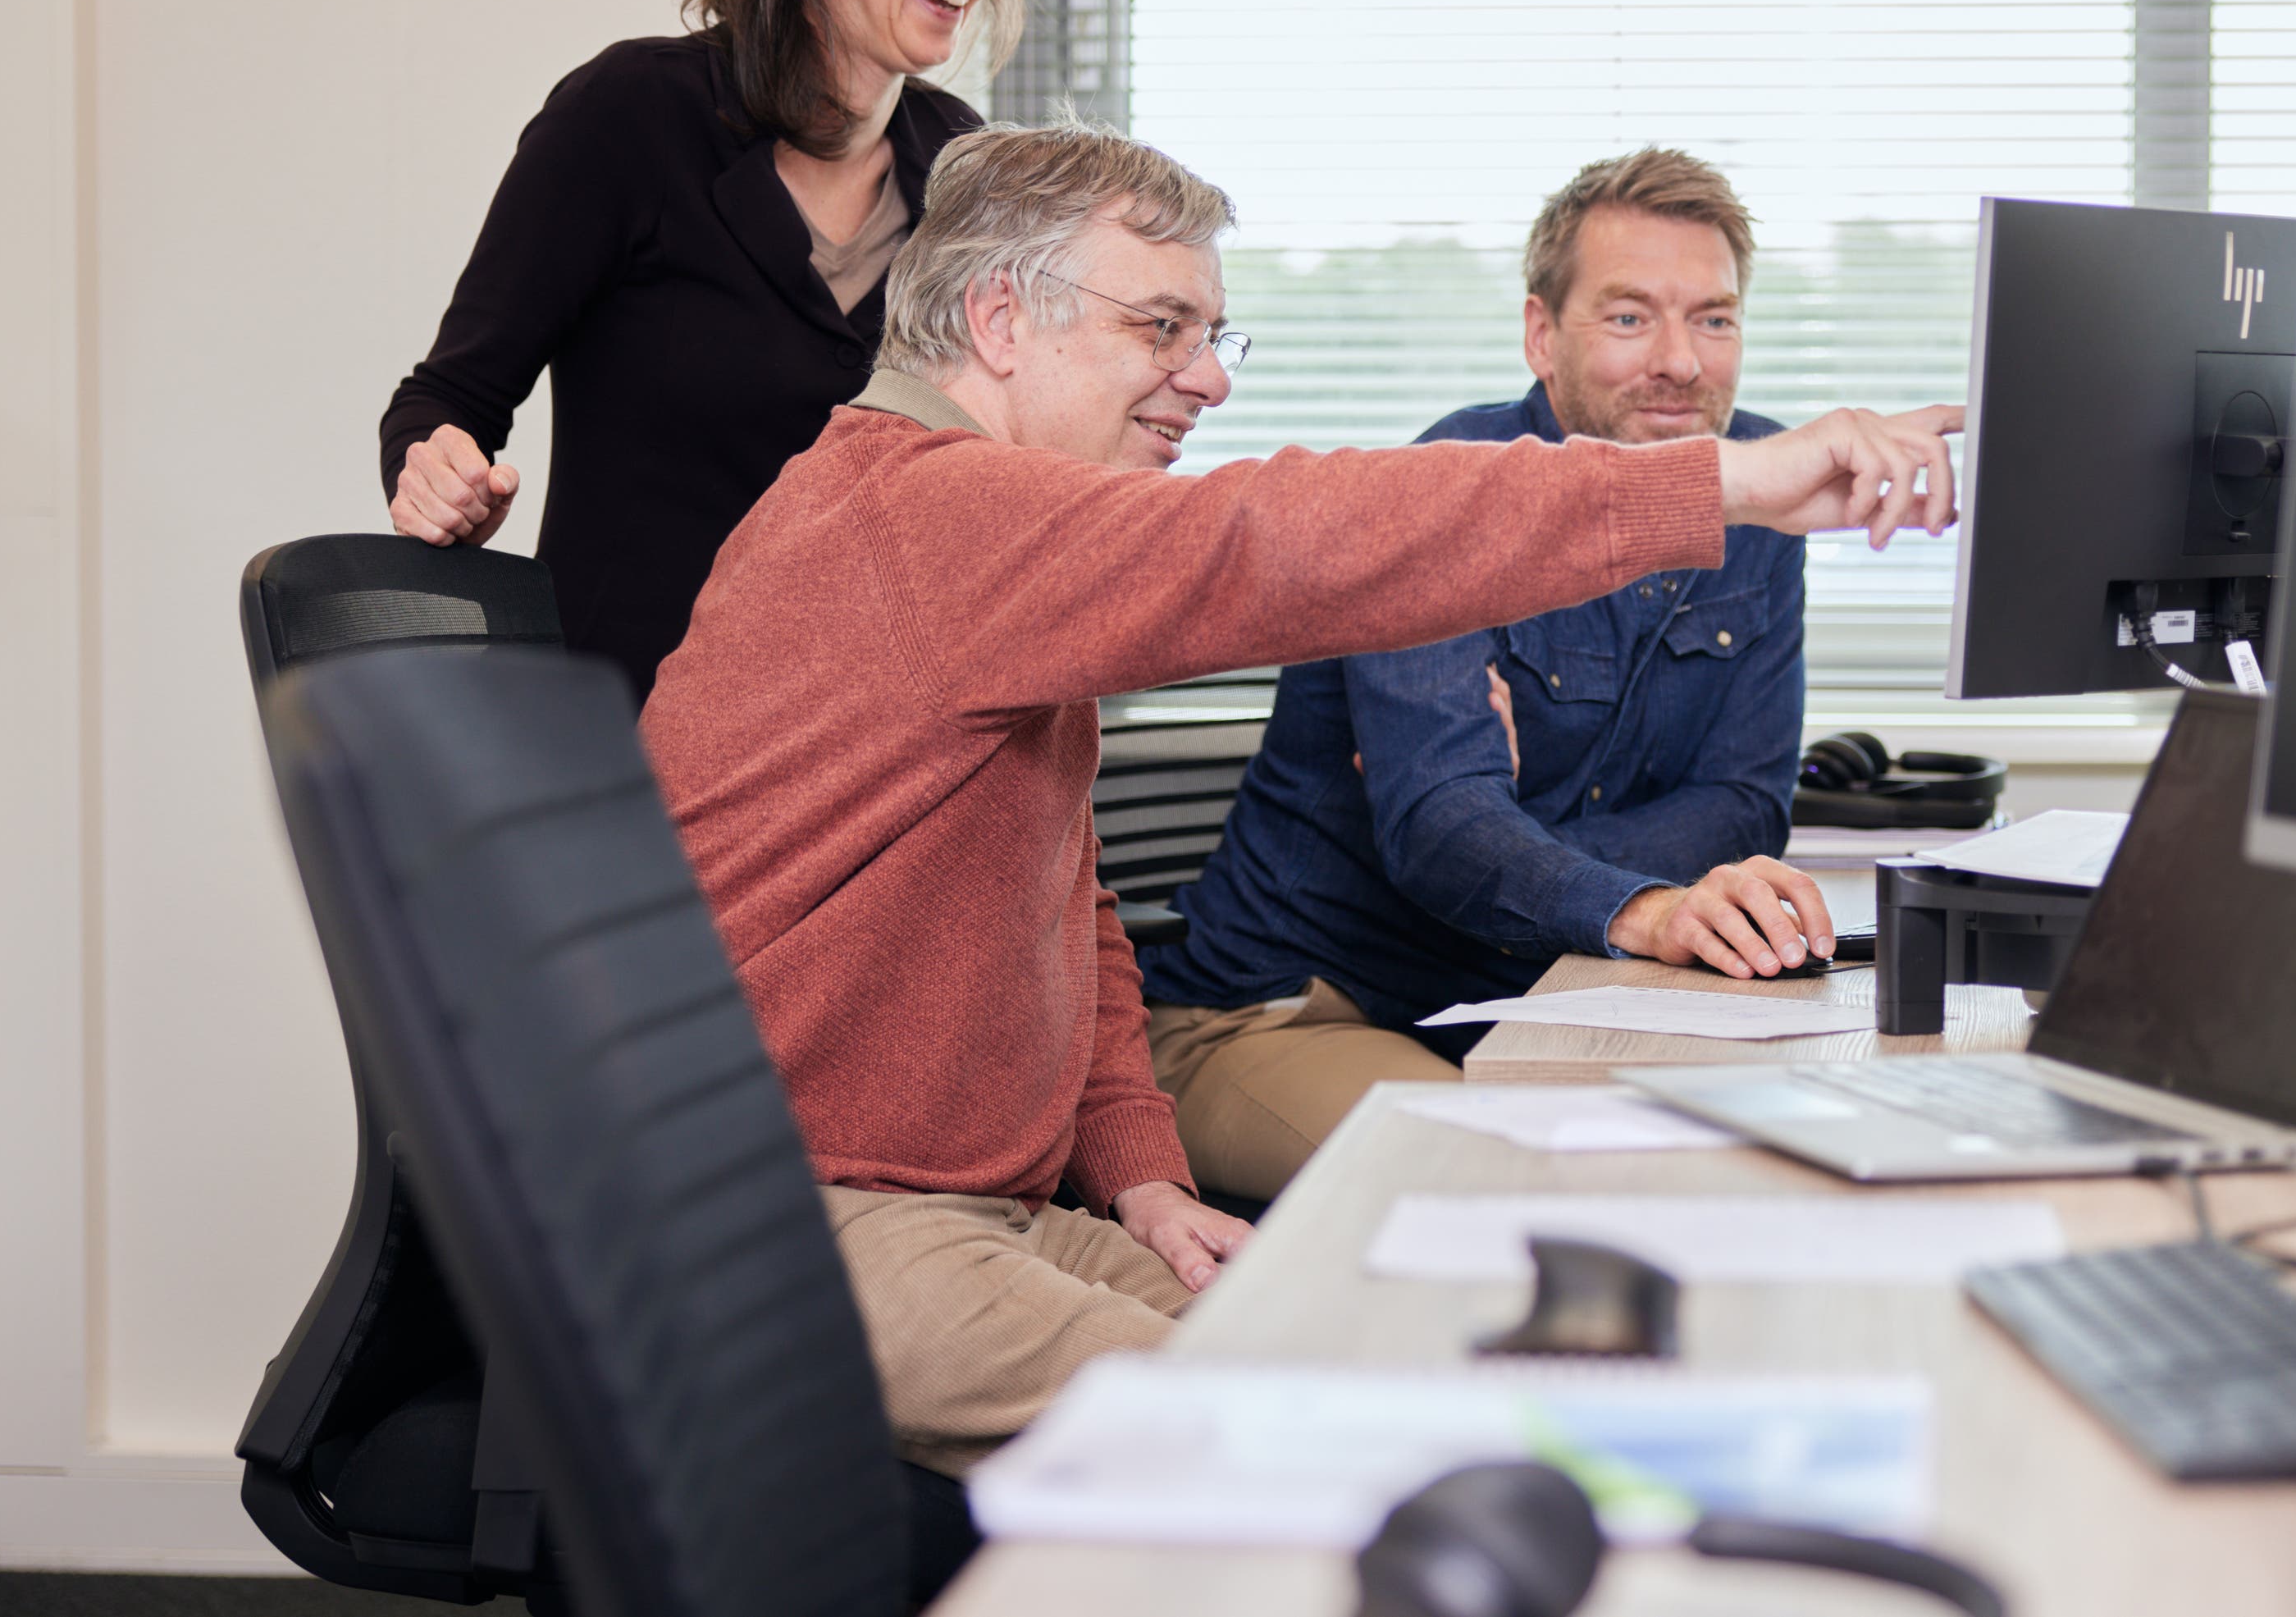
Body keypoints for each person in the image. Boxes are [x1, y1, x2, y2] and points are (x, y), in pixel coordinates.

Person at [637, 121, 1958, 1475]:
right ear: (998, 320)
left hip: (992, 1202)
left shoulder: (995, 546)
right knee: (1325, 1452)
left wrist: (1141, 1174)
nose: (1208, 377)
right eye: (1161, 328)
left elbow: (1067, 906)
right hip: (801, 1215)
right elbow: (1276, 541)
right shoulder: (927, 514)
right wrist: (1730, 481)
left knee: (1381, 1369)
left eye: (1212, 334)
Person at [1135, 149, 1822, 1199]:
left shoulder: (1760, 497)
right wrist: (1624, 898)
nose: (1682, 361)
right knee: (1513, 1184)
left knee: (1760, 1154)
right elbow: (1442, 837)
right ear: (1542, 334)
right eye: (1630, 316)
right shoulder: (1441, 496)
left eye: (1715, 318)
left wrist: (1522, 837)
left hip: (1529, 1000)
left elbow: (1744, 802)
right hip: (1292, 1011)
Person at [379, 0, 1037, 698]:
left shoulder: (964, 167)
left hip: (862, 732)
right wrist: (439, 471)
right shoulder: (630, 114)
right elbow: (447, 400)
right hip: (627, 728)